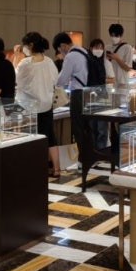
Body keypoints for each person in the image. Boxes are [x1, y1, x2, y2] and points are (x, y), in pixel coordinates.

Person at [15, 32, 64, 175]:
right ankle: (56, 168)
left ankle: (36, 169)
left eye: (25, 45)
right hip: (47, 104)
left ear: (30, 45)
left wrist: (17, 57)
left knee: (33, 139)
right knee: (50, 136)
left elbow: (18, 81)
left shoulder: (26, 63)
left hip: (29, 106)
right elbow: (55, 80)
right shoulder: (49, 61)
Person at [53, 32, 89, 170]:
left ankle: (82, 161)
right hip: (89, 93)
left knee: (78, 128)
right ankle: (89, 158)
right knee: (87, 128)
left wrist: (54, 82)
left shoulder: (70, 56)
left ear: (62, 45)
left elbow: (61, 79)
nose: (60, 52)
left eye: (59, 49)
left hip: (78, 94)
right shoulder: (83, 51)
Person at [87, 38, 111, 150]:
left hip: (102, 93)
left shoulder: (103, 62)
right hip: (90, 94)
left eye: (101, 48)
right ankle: (94, 151)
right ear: (91, 48)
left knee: (102, 126)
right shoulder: (87, 61)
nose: (99, 50)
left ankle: (102, 151)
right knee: (92, 126)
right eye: (97, 47)